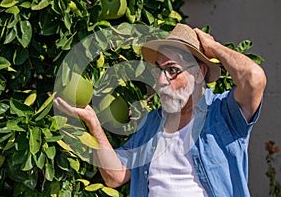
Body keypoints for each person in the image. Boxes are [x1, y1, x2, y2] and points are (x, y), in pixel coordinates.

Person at [54, 23, 267, 197]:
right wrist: (92, 122)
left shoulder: (223, 114)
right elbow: (115, 176)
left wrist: (213, 49)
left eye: (172, 70)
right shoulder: (152, 123)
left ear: (200, 73)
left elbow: (254, 79)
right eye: (159, 69)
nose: (161, 80)